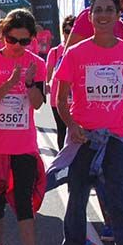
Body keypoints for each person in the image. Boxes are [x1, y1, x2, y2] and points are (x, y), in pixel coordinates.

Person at [52, 0, 123, 245]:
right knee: (76, 199)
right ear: (90, 15)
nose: (102, 15)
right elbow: (60, 98)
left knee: (119, 203)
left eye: (108, 10)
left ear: (117, 15)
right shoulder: (75, 53)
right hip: (83, 138)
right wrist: (72, 126)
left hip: (115, 139)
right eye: (97, 10)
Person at [0, 9, 47, 245]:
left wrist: (29, 82)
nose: (18, 46)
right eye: (12, 39)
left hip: (23, 143)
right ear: (2, 35)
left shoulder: (36, 64)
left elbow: (38, 103)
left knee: (24, 201)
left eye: (24, 41)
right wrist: (9, 83)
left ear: (32, 39)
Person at [46, 15, 76, 149]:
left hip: (77, 99)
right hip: (58, 98)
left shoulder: (82, 51)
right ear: (63, 32)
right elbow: (47, 76)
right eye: (67, 31)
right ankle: (63, 163)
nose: (70, 35)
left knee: (78, 131)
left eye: (73, 32)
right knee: (62, 130)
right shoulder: (55, 52)